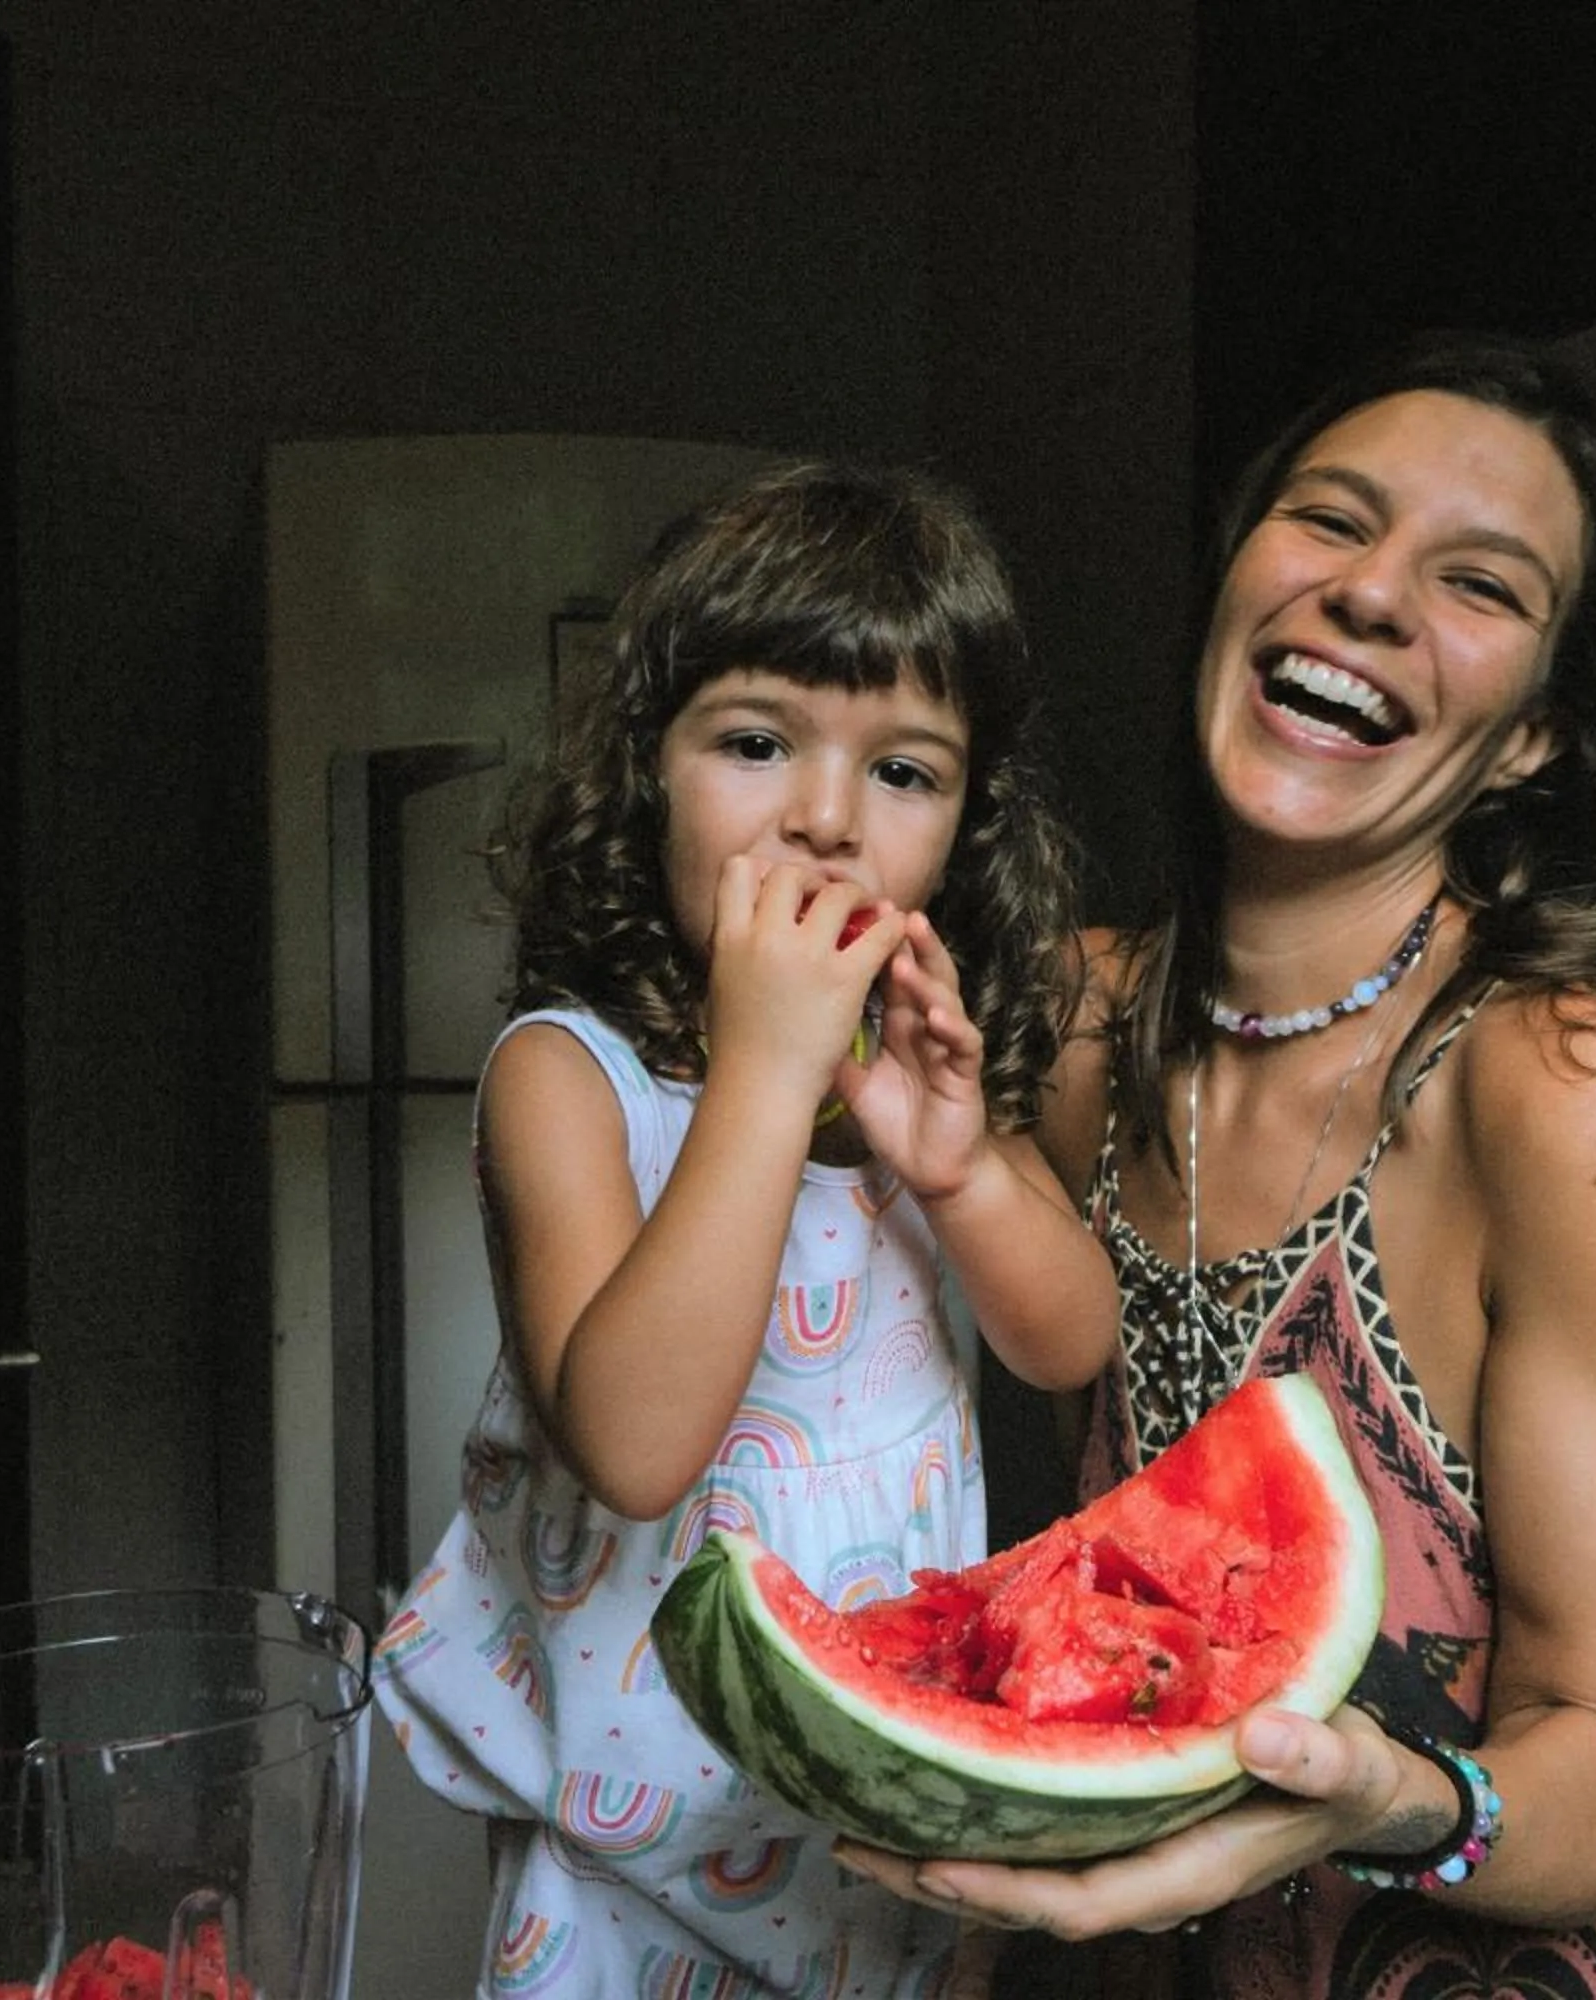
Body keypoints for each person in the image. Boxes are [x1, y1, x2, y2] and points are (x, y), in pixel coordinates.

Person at [840, 336, 1596, 1996]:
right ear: (1235, 584)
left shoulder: (1588, 1097)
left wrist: (1389, 1793)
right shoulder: (1081, 1031)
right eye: (1329, 521)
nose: (1370, 596)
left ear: (1533, 740)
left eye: (1481, 585)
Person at [372, 460, 1121, 1999]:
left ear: (966, 828)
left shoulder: (929, 1072)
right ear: (650, 772)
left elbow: (1071, 1343)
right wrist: (768, 1073)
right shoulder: (566, 1080)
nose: (828, 819)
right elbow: (637, 1445)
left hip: (894, 1852)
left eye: (905, 773)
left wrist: (967, 1171)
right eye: (759, 742)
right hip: (621, 1888)